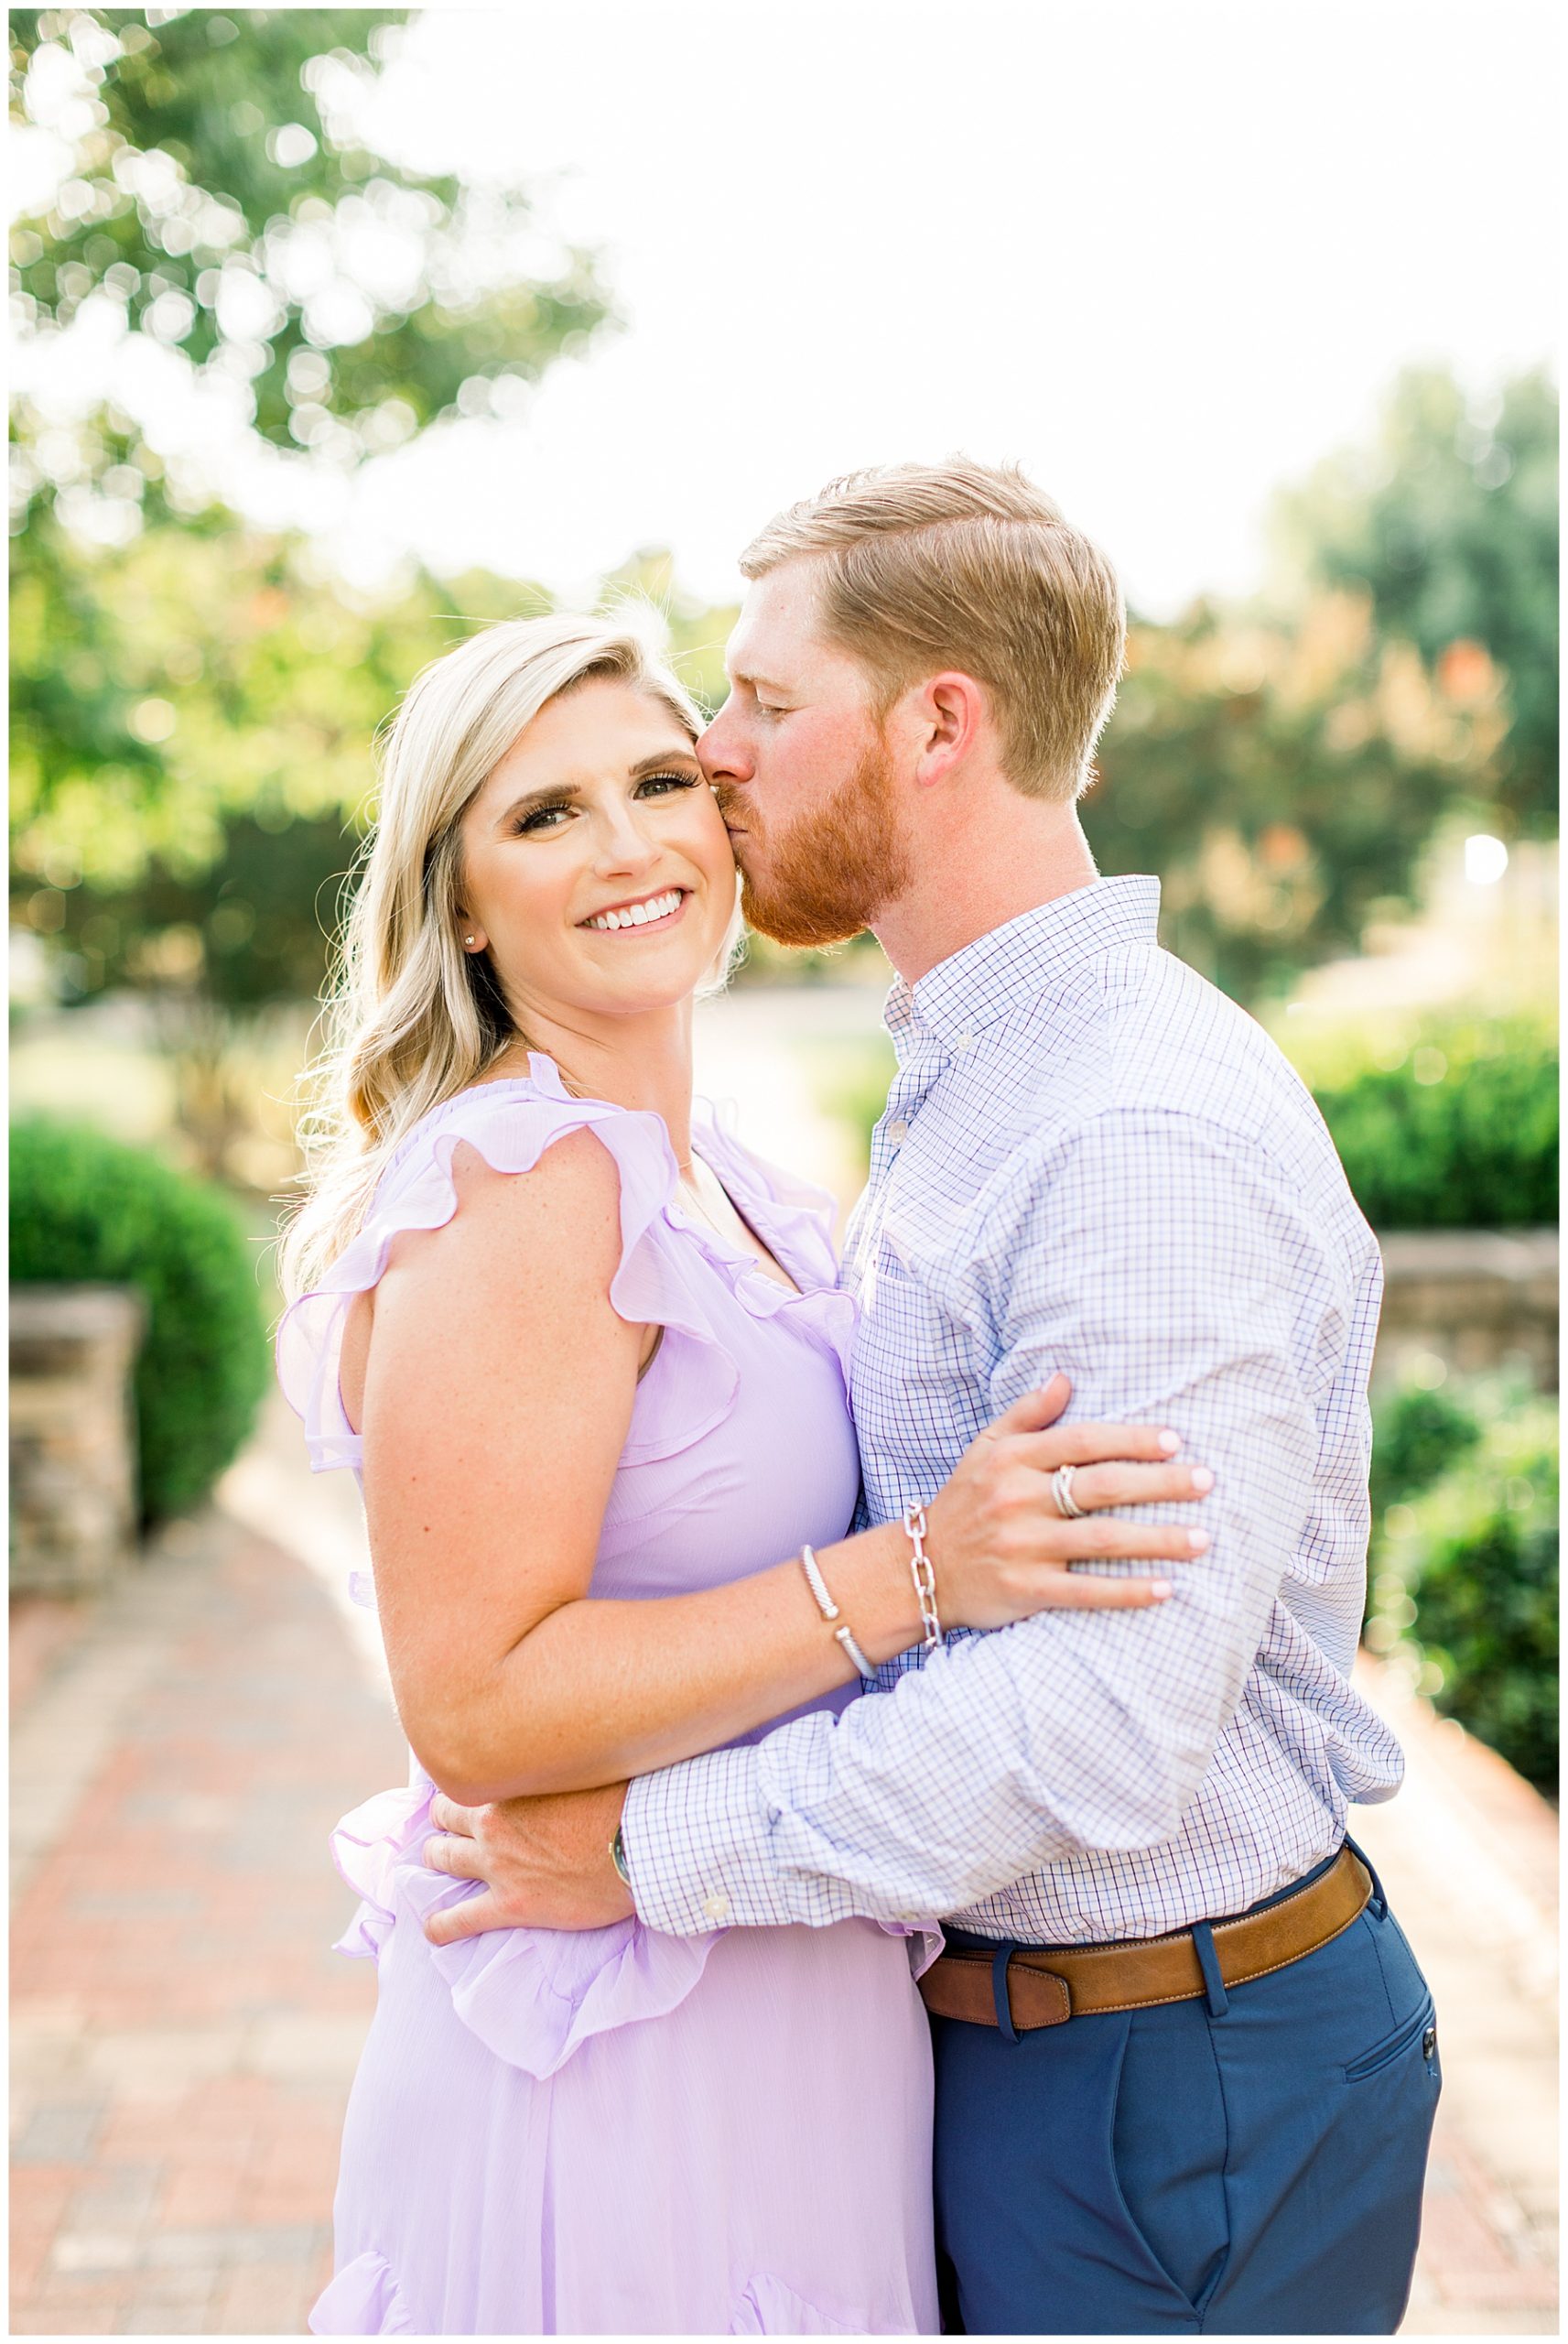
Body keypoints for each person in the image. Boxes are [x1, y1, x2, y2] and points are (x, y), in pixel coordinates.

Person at [426, 461, 1443, 2336]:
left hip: (1165, 2076)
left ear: (938, 725)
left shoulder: (1128, 1129)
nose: (714, 754)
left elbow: (1101, 1718)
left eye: (760, 700)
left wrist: (647, 1850)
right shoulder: (974, 1070)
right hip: (1027, 2043)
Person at [276, 611, 1212, 2336]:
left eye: (655, 781)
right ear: (461, 901)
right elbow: (471, 1708)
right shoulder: (525, 1182)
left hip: (789, 2001)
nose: (627, 843)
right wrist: (921, 1568)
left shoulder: (723, 1177)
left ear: (722, 815)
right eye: (542, 814)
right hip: (623, 2058)